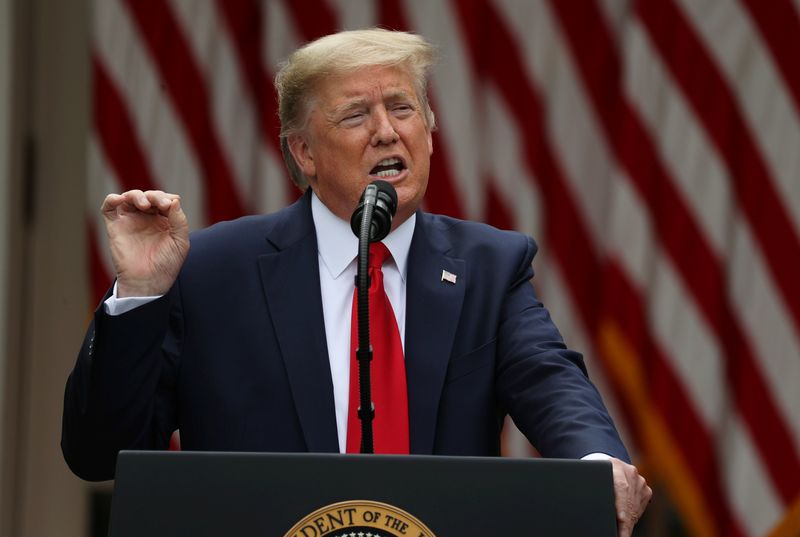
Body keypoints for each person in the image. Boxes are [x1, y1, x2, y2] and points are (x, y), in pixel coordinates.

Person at [62, 28, 651, 535]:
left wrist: (596, 463)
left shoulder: (490, 266)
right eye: (355, 115)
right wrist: (139, 295)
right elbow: (99, 453)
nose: (387, 132)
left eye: (402, 108)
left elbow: (551, 382)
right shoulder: (212, 270)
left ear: (428, 128)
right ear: (304, 152)